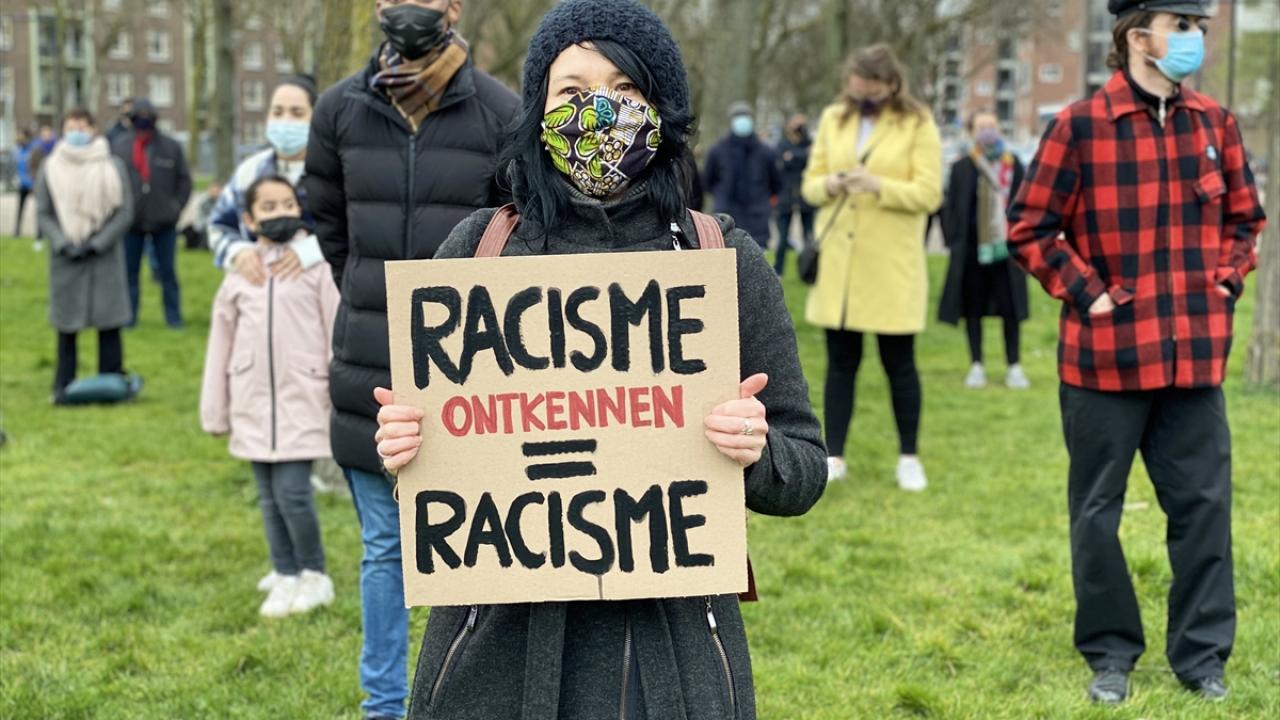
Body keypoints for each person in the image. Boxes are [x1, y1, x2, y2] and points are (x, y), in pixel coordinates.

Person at [372, 2, 826, 717]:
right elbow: (432, 465)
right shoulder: (477, 254)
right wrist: (404, 449)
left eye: (625, 89)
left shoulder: (720, 260)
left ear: (661, 109)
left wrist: (754, 452)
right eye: (573, 91)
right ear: (538, 112)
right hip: (495, 657)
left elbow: (804, 468)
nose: (600, 111)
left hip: (665, 666)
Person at [1007, 0, 1266, 705]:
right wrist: (1088, 293)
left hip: (1194, 362)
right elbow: (1029, 226)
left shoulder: (1215, 125)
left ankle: (1202, 658)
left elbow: (1246, 220)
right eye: (1182, 26)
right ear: (1137, 34)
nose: (1195, 39)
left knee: (1204, 510)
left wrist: (1224, 281)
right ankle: (1110, 654)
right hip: (1103, 364)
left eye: (1199, 28)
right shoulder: (1078, 127)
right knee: (1097, 514)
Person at [302, 1, 519, 717]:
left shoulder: (501, 113)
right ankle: (385, 706)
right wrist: (372, 295)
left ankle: (471, 697)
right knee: (385, 550)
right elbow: (328, 220)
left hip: (473, 368)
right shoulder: (338, 110)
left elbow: (517, 231)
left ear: (454, 7)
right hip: (370, 361)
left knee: (483, 544)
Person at [801, 44, 942, 490]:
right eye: (857, 89)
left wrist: (878, 185)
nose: (863, 96)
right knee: (840, 365)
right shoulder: (834, 119)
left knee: (899, 365)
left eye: (871, 90)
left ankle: (909, 457)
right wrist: (832, 183)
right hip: (840, 266)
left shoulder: (917, 122)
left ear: (890, 84)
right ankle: (834, 455)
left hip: (890, 265)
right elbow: (809, 186)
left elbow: (929, 193)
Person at [200, 175, 340, 619]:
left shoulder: (316, 268)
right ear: (248, 219)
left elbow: (335, 332)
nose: (280, 214)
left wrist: (336, 394)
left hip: (303, 399)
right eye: (268, 207)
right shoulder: (239, 274)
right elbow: (220, 344)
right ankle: (284, 571)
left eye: (287, 205)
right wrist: (215, 410)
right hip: (252, 403)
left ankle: (314, 573)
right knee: (267, 495)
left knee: (293, 493)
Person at [33, 109, 135, 404]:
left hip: (103, 256)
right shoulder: (51, 167)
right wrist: (62, 243)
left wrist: (97, 244)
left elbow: (124, 211)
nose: (76, 132)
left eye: (82, 126)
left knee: (109, 323)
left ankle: (112, 384)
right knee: (66, 325)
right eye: (71, 127)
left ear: (93, 129)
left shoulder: (112, 165)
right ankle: (64, 385)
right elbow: (43, 212)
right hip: (65, 257)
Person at [937, 110, 1030, 390]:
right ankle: (976, 364)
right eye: (981, 127)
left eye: (991, 125)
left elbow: (1026, 203)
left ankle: (1014, 365)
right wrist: (953, 241)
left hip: (1006, 252)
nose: (987, 131)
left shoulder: (1013, 164)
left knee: (1010, 309)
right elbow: (950, 207)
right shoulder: (963, 167)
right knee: (973, 309)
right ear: (972, 132)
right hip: (972, 253)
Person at [210, 76, 325, 280]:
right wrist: (237, 251)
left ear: (315, 118)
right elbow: (218, 225)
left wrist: (312, 250)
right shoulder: (250, 170)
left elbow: (358, 230)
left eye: (297, 113)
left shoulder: (333, 171)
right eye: (277, 112)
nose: (285, 121)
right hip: (258, 289)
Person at [110, 98, 193, 329]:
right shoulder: (120, 146)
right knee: (129, 274)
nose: (143, 122)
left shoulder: (171, 146)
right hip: (131, 222)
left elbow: (184, 181)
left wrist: (175, 207)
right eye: (139, 117)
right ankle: (129, 318)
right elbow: (112, 181)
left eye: (147, 117)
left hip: (164, 221)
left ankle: (173, 318)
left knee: (168, 273)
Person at [702, 101, 781, 248]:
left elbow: (775, 182)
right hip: (726, 218)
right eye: (738, 116)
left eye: (745, 116)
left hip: (757, 219)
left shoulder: (766, 152)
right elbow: (707, 181)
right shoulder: (718, 151)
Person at [774, 113, 816, 275]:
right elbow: (781, 161)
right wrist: (802, 155)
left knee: (809, 236)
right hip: (786, 197)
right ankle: (778, 271)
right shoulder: (782, 144)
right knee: (783, 237)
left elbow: (811, 158)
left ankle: (809, 270)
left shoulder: (810, 143)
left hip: (806, 197)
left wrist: (793, 156)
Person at [181, 182, 221, 251]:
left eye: (216, 191)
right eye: (213, 190)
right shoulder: (205, 201)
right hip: (203, 224)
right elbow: (201, 217)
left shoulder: (221, 202)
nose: (214, 192)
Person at [13, 129, 35, 237]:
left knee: (39, 210)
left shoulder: (33, 150)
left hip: (33, 184)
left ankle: (39, 234)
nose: (19, 138)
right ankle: (17, 232)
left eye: (21, 136)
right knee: (20, 209)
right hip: (22, 185)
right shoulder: (18, 151)